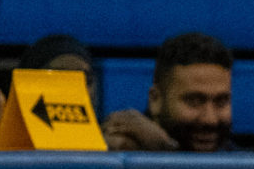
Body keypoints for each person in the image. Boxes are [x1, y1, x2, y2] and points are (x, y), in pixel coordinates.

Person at [10, 34, 172, 150]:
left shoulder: (119, 144)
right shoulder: (4, 146)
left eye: (85, 79)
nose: (75, 88)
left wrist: (164, 147)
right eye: (59, 77)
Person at [149, 32, 237, 153]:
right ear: (156, 100)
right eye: (194, 101)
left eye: (221, 102)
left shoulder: (246, 168)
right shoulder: (121, 161)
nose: (210, 120)